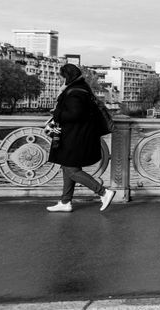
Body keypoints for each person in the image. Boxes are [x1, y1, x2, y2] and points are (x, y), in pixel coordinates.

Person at [45, 64, 116, 213]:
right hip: (78, 135)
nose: (60, 79)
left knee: (71, 169)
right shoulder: (82, 88)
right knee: (67, 166)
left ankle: (103, 192)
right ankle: (65, 202)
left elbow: (74, 114)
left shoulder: (75, 92)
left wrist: (57, 112)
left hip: (75, 137)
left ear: (67, 76)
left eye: (61, 76)